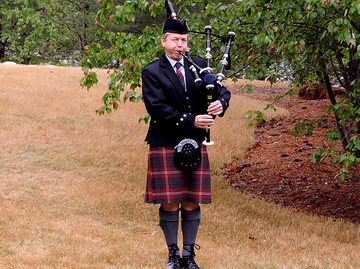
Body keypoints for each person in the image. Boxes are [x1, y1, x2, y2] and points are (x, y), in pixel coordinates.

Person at [141, 18, 231, 269]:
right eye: (175, 40)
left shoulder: (198, 65)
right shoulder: (152, 71)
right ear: (163, 41)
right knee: (169, 200)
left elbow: (221, 89)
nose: (180, 45)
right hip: (166, 141)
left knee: (192, 199)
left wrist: (220, 103)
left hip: (195, 142)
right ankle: (172, 254)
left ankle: (189, 255)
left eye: (184, 41)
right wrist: (193, 120)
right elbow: (156, 108)